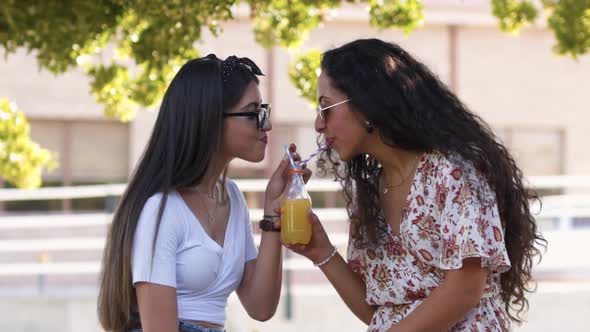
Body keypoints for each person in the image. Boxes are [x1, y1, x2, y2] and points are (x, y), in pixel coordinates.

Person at [284, 39, 546, 331]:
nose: (319, 125)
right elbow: (381, 309)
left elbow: (465, 288)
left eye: (326, 108)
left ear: (367, 102)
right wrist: (322, 252)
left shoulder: (454, 170)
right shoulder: (370, 194)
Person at [97, 54, 309, 332]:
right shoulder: (160, 210)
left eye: (263, 110)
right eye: (252, 112)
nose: (266, 124)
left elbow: (261, 306)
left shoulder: (232, 196)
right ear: (209, 119)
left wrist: (273, 211)